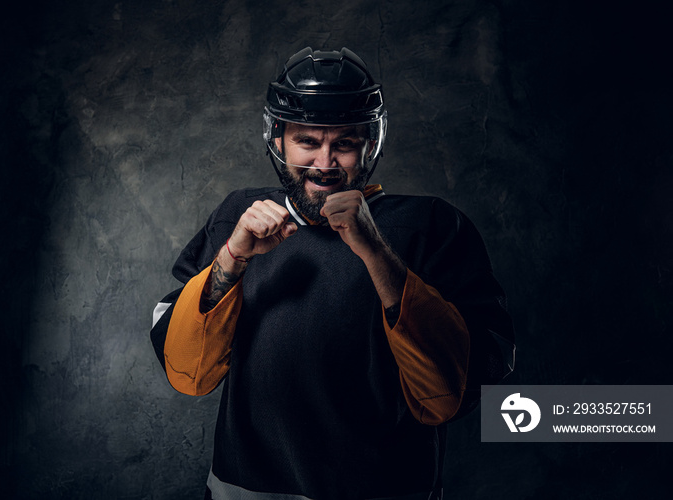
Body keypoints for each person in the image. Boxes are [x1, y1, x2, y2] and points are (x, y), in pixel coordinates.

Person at [150, 47, 515, 500]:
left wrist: (377, 252)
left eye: (343, 143)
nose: (324, 164)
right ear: (278, 140)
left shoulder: (432, 228)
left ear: (369, 145)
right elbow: (187, 372)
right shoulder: (235, 219)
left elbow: (452, 393)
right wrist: (231, 258)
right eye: (308, 142)